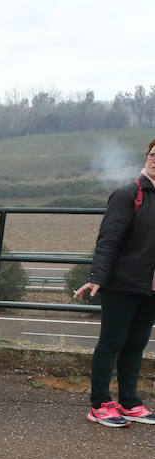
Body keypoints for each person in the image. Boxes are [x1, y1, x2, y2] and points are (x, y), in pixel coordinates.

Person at [75, 138, 155, 428]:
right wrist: (97, 277)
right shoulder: (129, 193)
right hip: (122, 283)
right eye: (152, 154)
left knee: (136, 343)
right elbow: (108, 239)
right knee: (111, 342)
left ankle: (129, 401)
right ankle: (99, 403)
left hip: (151, 287)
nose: (154, 159)